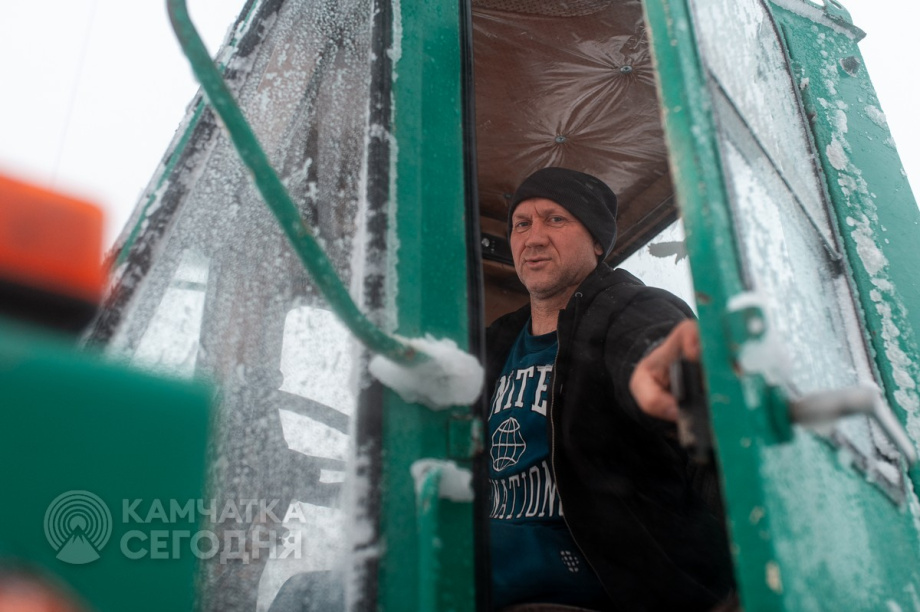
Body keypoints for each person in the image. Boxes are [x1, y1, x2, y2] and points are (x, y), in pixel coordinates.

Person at [485, 167, 734, 611]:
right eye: (522, 224)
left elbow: (651, 340)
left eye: (555, 220)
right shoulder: (497, 340)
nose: (534, 237)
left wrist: (657, 371)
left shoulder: (628, 308)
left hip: (600, 564)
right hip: (501, 546)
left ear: (597, 242)